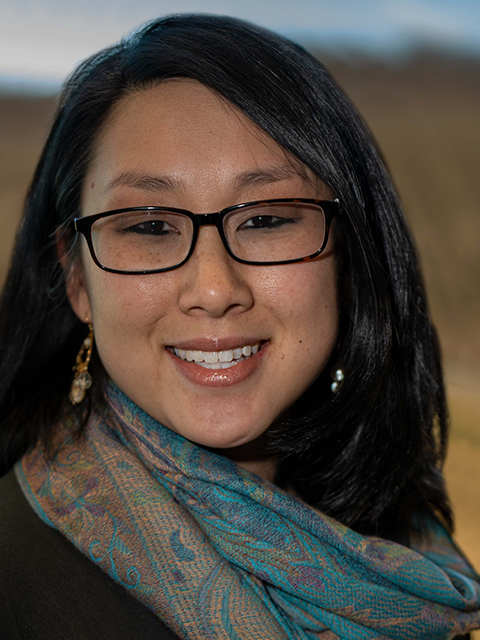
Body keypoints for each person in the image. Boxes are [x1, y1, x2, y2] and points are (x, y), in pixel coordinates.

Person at [0, 13, 478, 640]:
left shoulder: (413, 551)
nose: (215, 290)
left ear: (350, 254)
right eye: (148, 226)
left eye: (266, 220)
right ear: (74, 279)